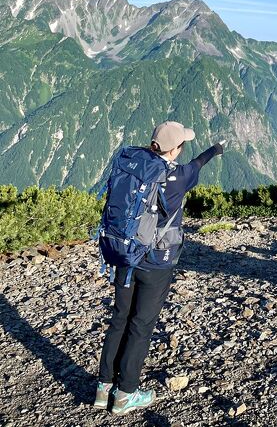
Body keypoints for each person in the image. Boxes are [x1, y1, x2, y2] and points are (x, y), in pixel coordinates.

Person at [94, 121, 224, 415]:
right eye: (181, 144)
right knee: (141, 326)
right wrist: (215, 150)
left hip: (124, 255)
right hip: (156, 262)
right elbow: (197, 164)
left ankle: (104, 388)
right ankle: (126, 393)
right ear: (175, 149)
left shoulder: (132, 162)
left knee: (119, 318)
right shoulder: (177, 176)